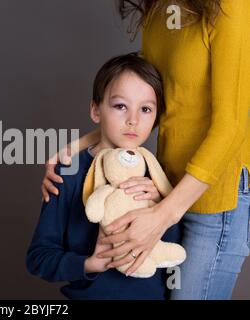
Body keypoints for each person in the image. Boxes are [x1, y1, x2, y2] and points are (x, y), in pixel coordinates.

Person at [41, 0, 250, 300]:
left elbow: (231, 127)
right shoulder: (158, 9)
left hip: (214, 200)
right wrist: (72, 151)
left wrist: (163, 216)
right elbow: (148, 107)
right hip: (167, 186)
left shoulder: (231, 5)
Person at [26, 53, 182, 300]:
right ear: (96, 110)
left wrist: (162, 210)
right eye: (121, 106)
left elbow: (176, 253)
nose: (133, 120)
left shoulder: (155, 176)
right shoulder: (68, 173)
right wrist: (88, 264)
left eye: (145, 109)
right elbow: (39, 258)